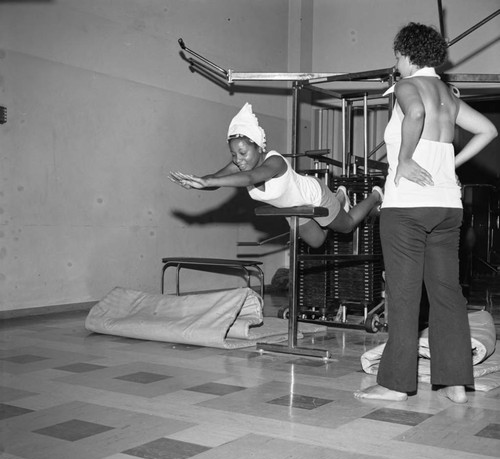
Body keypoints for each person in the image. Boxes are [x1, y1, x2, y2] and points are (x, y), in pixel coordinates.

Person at [355, 22, 497, 404]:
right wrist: (452, 165)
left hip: (408, 208)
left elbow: (414, 113)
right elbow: (486, 130)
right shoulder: (449, 96)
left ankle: (396, 384)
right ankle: (455, 383)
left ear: (406, 54)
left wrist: (402, 160)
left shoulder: (406, 87)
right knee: (447, 293)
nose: (395, 63)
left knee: (403, 296)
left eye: (396, 56)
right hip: (447, 205)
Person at [170, 102, 383, 249]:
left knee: (346, 226)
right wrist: (200, 182)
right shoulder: (241, 165)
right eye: (234, 154)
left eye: (243, 152)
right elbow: (217, 180)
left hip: (314, 197)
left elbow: (251, 178)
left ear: (259, 147)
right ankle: (340, 198)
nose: (238, 159)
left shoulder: (274, 161)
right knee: (317, 242)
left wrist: (208, 181)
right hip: (294, 210)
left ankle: (374, 196)